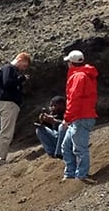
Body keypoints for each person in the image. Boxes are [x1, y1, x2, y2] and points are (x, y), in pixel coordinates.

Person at [0, 52, 32, 167]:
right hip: (8, 104)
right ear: (20, 59)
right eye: (24, 65)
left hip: (6, 104)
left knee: (6, 131)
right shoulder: (9, 68)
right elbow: (7, 83)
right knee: (6, 132)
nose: (23, 68)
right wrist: (21, 79)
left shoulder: (9, 69)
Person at [61, 50, 99, 183]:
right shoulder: (85, 75)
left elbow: (74, 99)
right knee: (66, 146)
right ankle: (71, 174)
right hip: (81, 117)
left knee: (79, 149)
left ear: (71, 63)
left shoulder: (78, 77)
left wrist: (67, 118)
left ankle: (81, 176)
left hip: (80, 117)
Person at [31, 95, 69, 160]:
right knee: (39, 130)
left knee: (61, 126)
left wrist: (55, 121)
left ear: (62, 105)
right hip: (56, 139)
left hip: (67, 141)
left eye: (55, 106)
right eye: (51, 106)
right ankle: (52, 153)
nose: (52, 108)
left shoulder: (67, 113)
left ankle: (60, 152)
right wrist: (42, 121)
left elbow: (70, 126)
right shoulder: (53, 115)